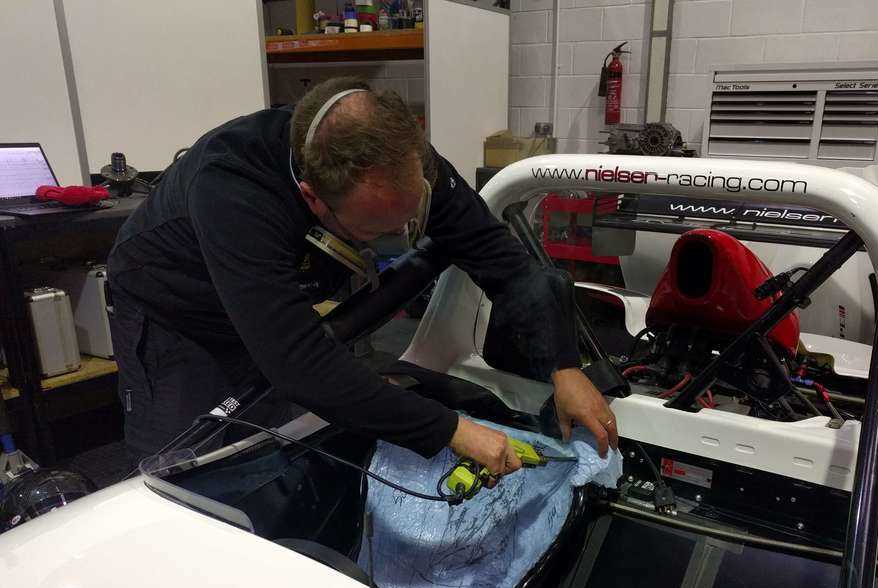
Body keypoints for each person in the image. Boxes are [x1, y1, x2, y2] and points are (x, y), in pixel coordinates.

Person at [107, 77, 619, 479]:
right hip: (182, 315)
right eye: (378, 231)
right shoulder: (234, 190)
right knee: (188, 471)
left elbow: (498, 256)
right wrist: (452, 430)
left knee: (284, 445)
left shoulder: (400, 160)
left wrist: (564, 366)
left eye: (410, 220)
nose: (399, 236)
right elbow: (300, 366)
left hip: (274, 305)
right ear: (313, 200)